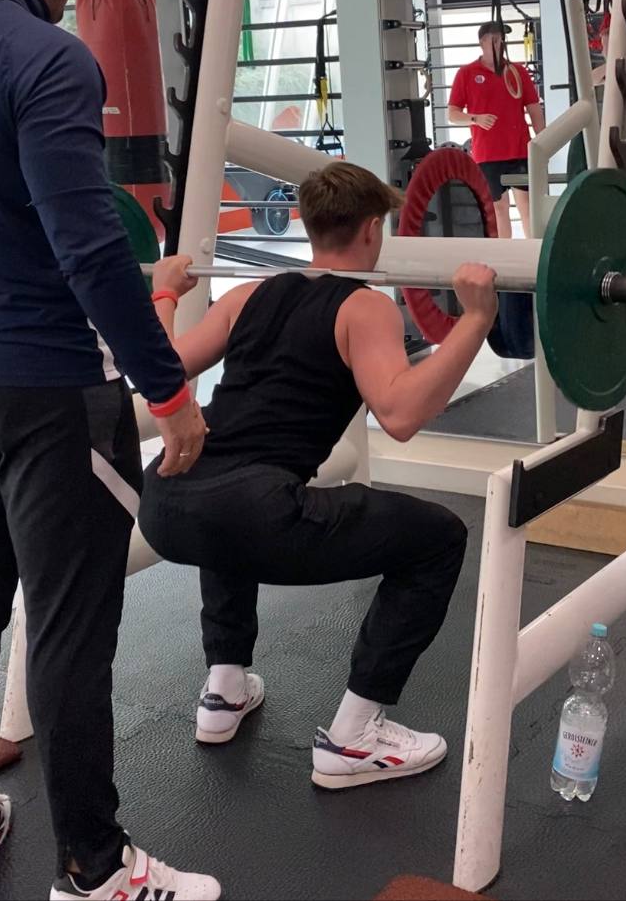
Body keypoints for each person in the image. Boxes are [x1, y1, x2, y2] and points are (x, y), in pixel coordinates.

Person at [0, 0, 219, 901]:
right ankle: (93, 868)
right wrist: (168, 390)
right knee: (71, 630)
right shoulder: (52, 55)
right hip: (46, 391)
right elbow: (81, 249)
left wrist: (141, 276)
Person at [137, 161, 499, 788]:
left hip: (166, 499)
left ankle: (224, 688)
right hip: (255, 509)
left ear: (308, 226)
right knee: (439, 538)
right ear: (369, 230)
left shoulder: (249, 294)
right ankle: (356, 736)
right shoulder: (364, 308)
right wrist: (474, 320)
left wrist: (164, 293)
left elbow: (161, 374)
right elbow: (402, 413)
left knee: (229, 505)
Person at [448, 20, 545, 239]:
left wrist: (544, 143)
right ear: (482, 42)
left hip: (520, 150)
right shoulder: (467, 73)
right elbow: (452, 114)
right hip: (488, 155)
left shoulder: (517, 71)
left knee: (528, 208)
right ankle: (507, 261)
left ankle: (533, 257)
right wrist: (475, 119)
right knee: (499, 211)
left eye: (501, 39)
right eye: (494, 39)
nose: (499, 44)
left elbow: (534, 109)